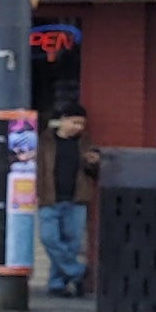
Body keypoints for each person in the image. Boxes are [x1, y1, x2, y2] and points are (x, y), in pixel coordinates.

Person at [38, 107, 97, 297]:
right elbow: (37, 168)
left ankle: (57, 284)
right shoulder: (45, 141)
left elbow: (94, 172)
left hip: (76, 199)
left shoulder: (84, 142)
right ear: (63, 120)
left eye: (81, 124)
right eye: (75, 122)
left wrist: (93, 162)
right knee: (49, 238)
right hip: (49, 198)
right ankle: (77, 271)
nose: (78, 127)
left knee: (72, 243)